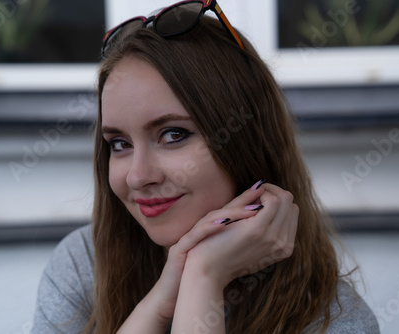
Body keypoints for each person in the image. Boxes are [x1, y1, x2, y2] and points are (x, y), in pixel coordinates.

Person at [32, 1, 379, 333]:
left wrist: (203, 275)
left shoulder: (333, 320)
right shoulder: (83, 265)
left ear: (247, 140)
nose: (138, 176)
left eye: (173, 134)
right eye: (119, 144)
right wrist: (159, 303)